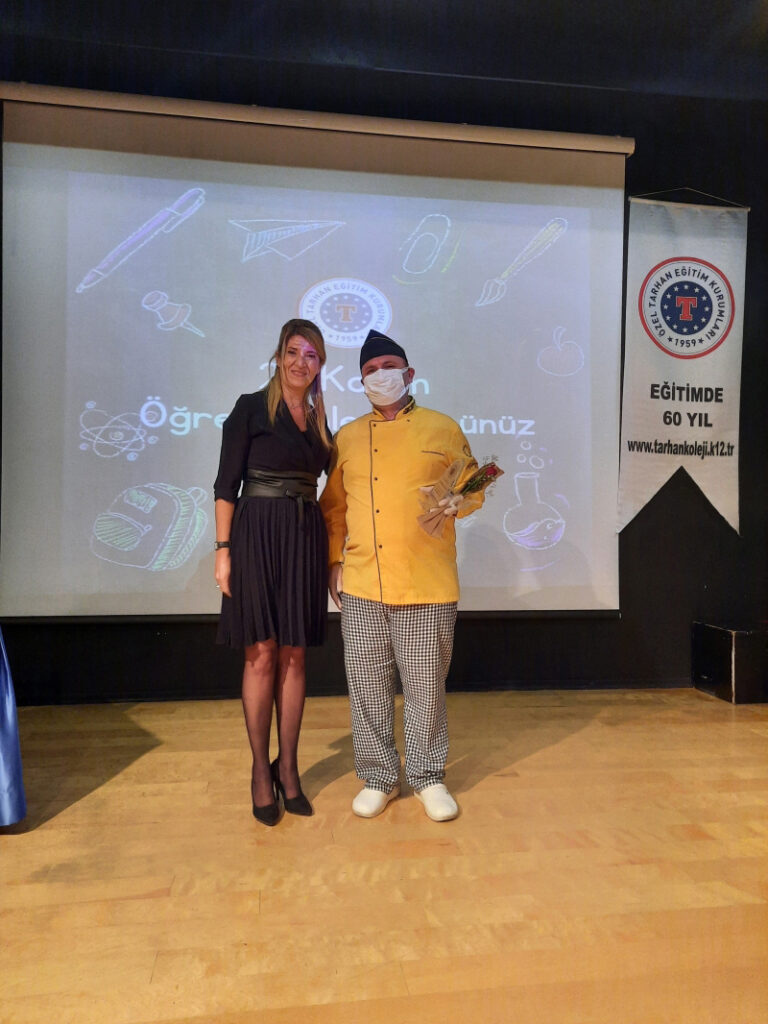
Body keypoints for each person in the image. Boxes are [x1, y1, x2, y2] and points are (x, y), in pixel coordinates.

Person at [319, 329, 484, 822]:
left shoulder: (443, 428)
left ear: (409, 374)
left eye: (388, 367)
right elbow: (334, 509)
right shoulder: (348, 437)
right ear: (361, 382)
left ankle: (428, 776)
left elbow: (474, 484)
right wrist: (333, 562)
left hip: (426, 581)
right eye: (370, 371)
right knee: (367, 686)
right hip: (363, 582)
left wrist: (460, 500)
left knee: (425, 688)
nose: (380, 376)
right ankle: (378, 777)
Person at [214, 319, 332, 826]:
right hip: (257, 534)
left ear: (320, 365)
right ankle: (261, 771)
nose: (301, 362)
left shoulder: (320, 422)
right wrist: (223, 551)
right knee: (261, 652)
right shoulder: (249, 408)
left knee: (295, 654)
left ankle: (289, 768)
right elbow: (225, 485)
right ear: (279, 356)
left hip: (304, 537)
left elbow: (337, 484)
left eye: (312, 355)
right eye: (293, 351)